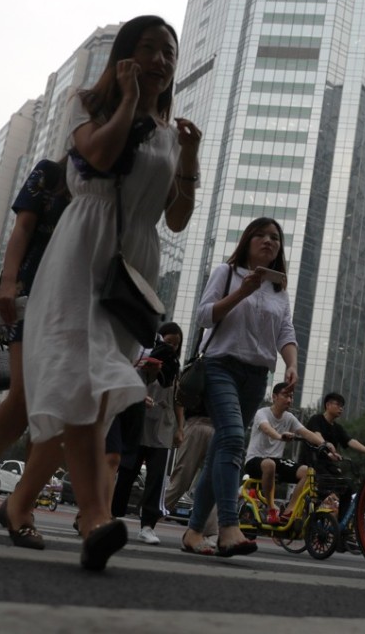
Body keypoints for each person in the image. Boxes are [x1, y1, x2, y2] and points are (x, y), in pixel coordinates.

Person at [18, 15, 200, 570]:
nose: (160, 60)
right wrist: (126, 100)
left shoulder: (170, 136)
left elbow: (177, 220)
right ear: (124, 56)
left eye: (168, 52)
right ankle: (96, 517)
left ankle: (19, 503)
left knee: (92, 388)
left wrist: (189, 159)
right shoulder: (87, 105)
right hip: (83, 247)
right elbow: (96, 157)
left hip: (134, 264)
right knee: (86, 378)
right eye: (147, 49)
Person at [0, 158, 70, 526]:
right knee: (23, 396)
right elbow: (23, 228)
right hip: (32, 290)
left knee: (55, 404)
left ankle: (23, 497)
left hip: (79, 301)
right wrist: (8, 280)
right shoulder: (51, 173)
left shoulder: (110, 187)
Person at [181, 217, 298, 558]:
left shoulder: (279, 289)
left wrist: (291, 363)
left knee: (221, 449)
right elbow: (204, 317)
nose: (269, 241)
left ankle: (193, 531)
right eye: (261, 235)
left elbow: (286, 333)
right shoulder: (227, 273)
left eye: (275, 237)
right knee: (233, 438)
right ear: (248, 241)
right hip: (221, 366)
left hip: (256, 376)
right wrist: (241, 293)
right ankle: (229, 528)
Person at [110, 322, 185, 546]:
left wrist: (180, 428)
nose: (171, 347)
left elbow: (177, 400)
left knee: (156, 477)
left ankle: (148, 525)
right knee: (127, 471)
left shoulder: (174, 368)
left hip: (163, 426)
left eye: (176, 344)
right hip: (138, 422)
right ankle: (112, 515)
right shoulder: (141, 358)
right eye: (168, 342)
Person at [245, 383, 335, 525]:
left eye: (291, 397)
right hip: (255, 461)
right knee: (269, 464)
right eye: (286, 395)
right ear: (274, 397)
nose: (289, 400)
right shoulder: (262, 413)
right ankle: (271, 508)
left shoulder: (289, 417)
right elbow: (267, 429)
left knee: (308, 471)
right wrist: (281, 436)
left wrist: (325, 446)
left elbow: (306, 433)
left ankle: (289, 511)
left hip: (276, 462)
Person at [303, 392, 365, 525]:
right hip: (314, 464)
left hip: (329, 466)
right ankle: (310, 515)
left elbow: (350, 441)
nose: (341, 408)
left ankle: (340, 525)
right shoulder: (316, 419)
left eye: (342, 406)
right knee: (326, 487)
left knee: (347, 488)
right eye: (338, 404)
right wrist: (327, 448)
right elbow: (317, 437)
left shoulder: (337, 428)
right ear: (327, 405)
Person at [163, 392, 219, 546]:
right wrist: (180, 428)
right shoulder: (197, 369)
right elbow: (180, 398)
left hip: (218, 427)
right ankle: (152, 516)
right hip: (195, 423)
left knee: (214, 483)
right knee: (182, 478)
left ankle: (210, 532)